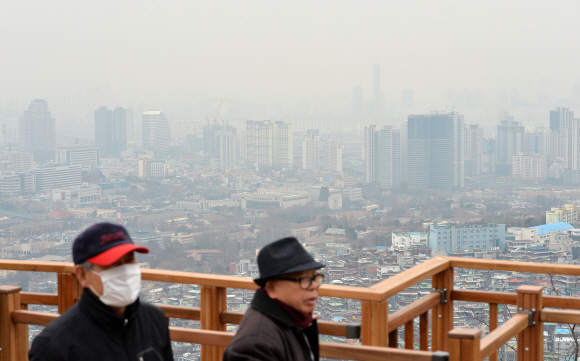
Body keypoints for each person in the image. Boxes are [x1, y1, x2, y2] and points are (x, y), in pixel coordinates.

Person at [29, 222, 173, 361]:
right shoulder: (54, 346)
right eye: (112, 265)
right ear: (83, 275)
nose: (124, 272)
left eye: (129, 261)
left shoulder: (154, 319)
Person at [223, 237, 325, 361]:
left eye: (314, 278)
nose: (314, 286)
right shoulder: (255, 345)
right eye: (304, 280)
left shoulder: (294, 319)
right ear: (271, 288)